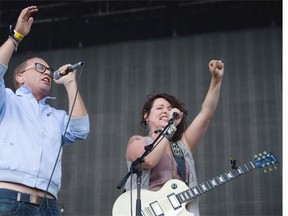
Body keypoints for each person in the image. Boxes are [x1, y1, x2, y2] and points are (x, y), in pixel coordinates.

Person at [0, 6, 90, 215]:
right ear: (20, 77)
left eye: (49, 70)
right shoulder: (8, 100)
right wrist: (16, 37)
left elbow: (81, 130)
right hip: (9, 196)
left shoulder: (56, 116)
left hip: (48, 204)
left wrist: (70, 83)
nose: (47, 72)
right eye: (40, 68)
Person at [125, 59, 224, 215]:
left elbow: (206, 114)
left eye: (170, 108)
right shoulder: (138, 141)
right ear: (146, 116)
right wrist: (170, 128)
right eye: (159, 108)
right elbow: (149, 161)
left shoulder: (182, 145)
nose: (165, 111)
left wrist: (216, 80)